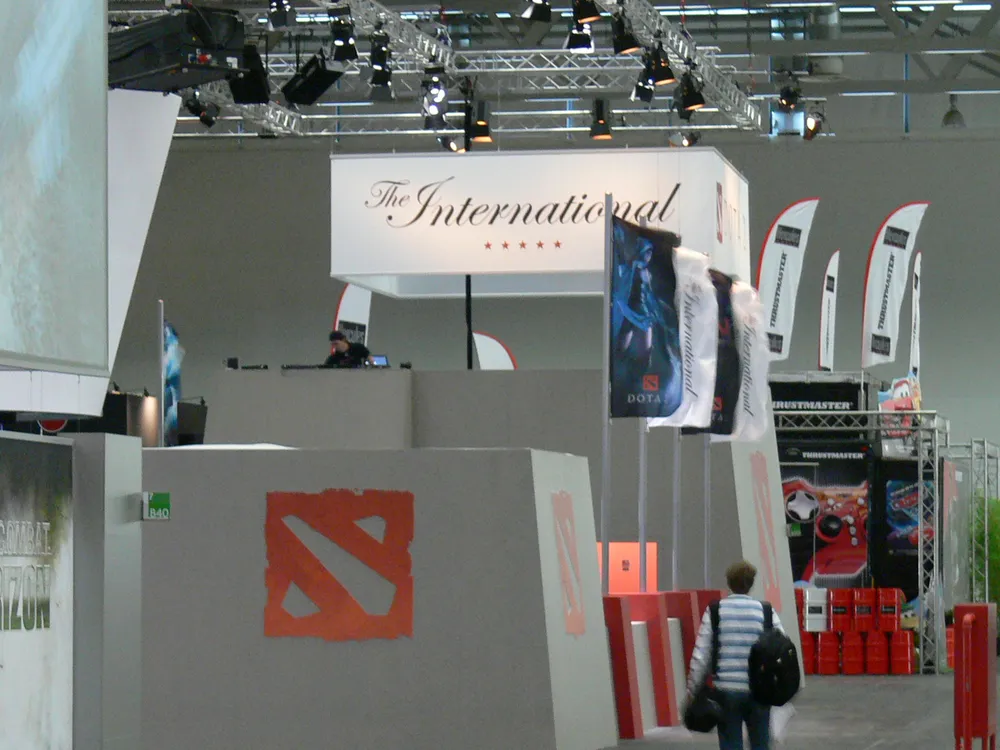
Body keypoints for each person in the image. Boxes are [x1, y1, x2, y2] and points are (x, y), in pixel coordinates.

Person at [687, 560, 784, 750]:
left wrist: (693, 689)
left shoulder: (716, 611)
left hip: (726, 691)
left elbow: (701, 655)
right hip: (759, 691)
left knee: (730, 743)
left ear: (729, 583)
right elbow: (780, 648)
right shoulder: (765, 611)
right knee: (760, 744)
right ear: (751, 583)